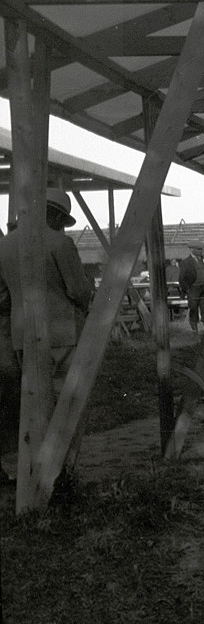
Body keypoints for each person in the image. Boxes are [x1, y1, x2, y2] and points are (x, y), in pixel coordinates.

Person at [0, 188, 94, 475]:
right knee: (68, 402)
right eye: (61, 220)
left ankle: (37, 469)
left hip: (21, 335)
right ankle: (64, 469)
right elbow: (78, 290)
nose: (61, 226)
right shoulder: (60, 244)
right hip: (63, 334)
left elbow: (3, 294)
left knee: (35, 405)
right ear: (54, 214)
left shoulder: (5, 246)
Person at [177, 241, 204, 332]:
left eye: (201, 249)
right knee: (193, 308)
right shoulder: (185, 262)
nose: (200, 251)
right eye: (198, 249)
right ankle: (194, 329)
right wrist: (187, 289)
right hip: (193, 288)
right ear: (192, 250)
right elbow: (182, 278)